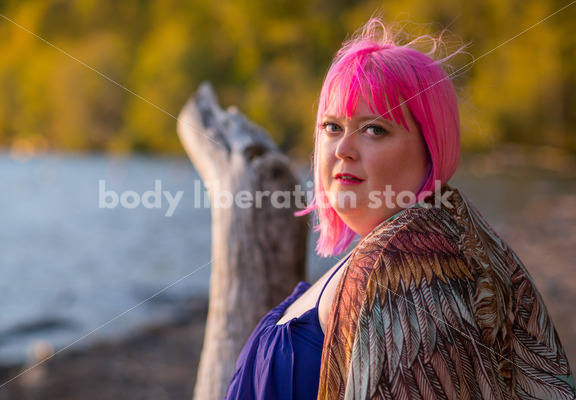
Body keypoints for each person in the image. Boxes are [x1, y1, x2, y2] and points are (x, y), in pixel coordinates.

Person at [224, 17, 575, 399]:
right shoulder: (387, 252)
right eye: (332, 126)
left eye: (375, 129)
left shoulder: (412, 271)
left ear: (430, 148)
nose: (343, 149)